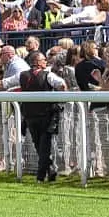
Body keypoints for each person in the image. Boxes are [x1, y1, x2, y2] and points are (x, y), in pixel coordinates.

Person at [13, 49, 64, 182]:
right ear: (37, 62)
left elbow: (4, 83)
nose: (46, 62)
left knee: (43, 146)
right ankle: (50, 169)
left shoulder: (44, 75)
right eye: (43, 60)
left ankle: (40, 177)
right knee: (39, 146)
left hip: (40, 116)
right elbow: (62, 85)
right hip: (38, 116)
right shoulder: (43, 75)